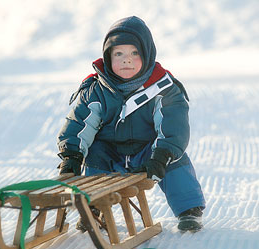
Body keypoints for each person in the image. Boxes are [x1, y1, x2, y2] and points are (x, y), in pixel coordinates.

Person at [57, 16, 205, 232]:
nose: (127, 60)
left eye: (134, 53)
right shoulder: (97, 89)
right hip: (112, 152)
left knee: (175, 160)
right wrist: (71, 154)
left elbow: (173, 126)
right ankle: (94, 207)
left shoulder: (162, 88)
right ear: (108, 57)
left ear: (147, 55)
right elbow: (80, 123)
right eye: (119, 54)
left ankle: (189, 209)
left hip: (148, 153)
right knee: (95, 153)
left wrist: (161, 156)